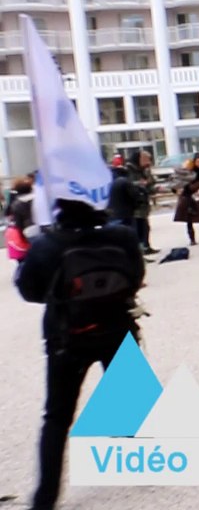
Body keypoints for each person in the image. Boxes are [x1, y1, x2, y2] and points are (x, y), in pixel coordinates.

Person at [15, 198, 146, 510]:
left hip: (68, 335)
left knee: (57, 417)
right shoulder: (122, 235)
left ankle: (46, 496)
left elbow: (29, 290)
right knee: (125, 397)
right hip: (117, 326)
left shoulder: (47, 244)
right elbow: (136, 277)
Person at [173, 153, 199, 246]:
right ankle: (192, 239)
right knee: (189, 219)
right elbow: (179, 180)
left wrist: (192, 187)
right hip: (188, 197)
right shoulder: (189, 172)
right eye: (198, 161)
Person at [124, 151, 158, 254]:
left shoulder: (143, 170)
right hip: (134, 205)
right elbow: (129, 184)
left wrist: (150, 182)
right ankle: (139, 250)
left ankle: (146, 247)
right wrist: (141, 183)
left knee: (145, 227)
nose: (148, 162)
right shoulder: (129, 170)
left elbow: (150, 185)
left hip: (143, 204)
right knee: (138, 228)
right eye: (147, 160)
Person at [6, 174, 36, 260]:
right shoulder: (37, 198)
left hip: (28, 230)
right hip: (42, 228)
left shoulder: (17, 204)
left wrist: (21, 238)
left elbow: (18, 223)